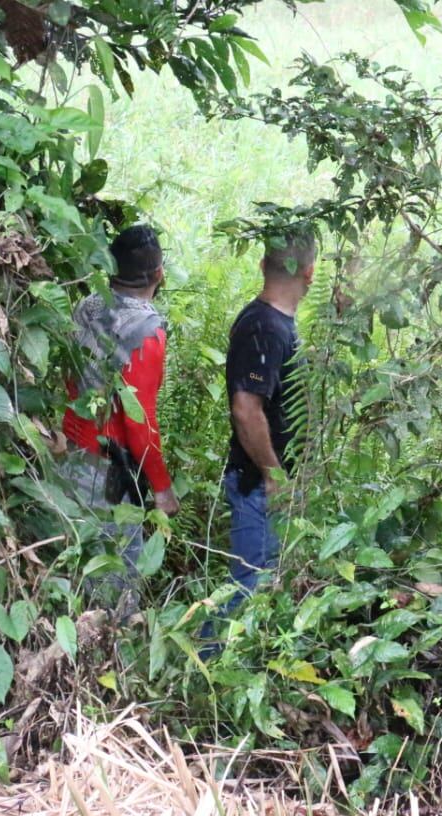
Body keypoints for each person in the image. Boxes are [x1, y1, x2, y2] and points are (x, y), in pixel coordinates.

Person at [61, 224, 179, 620]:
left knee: (74, 574)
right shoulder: (147, 330)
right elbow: (139, 421)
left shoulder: (85, 307)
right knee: (117, 590)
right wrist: (161, 489)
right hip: (112, 476)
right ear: (159, 274)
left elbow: (70, 379)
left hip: (71, 458)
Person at [207, 227, 317, 638]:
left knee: (266, 588)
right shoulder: (265, 328)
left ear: (261, 264)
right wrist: (274, 475)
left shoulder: (276, 323)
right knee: (247, 589)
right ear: (310, 273)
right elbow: (246, 409)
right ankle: (210, 670)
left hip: (271, 486)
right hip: (259, 486)